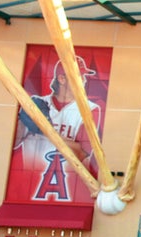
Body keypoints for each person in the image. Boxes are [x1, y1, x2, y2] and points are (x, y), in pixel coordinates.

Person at [10, 56, 100, 203]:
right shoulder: (39, 104)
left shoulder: (90, 110)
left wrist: (47, 130)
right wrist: (22, 120)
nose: (84, 81)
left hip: (69, 189)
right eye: (79, 76)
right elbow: (13, 144)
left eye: (84, 76)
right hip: (29, 184)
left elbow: (83, 154)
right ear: (62, 79)